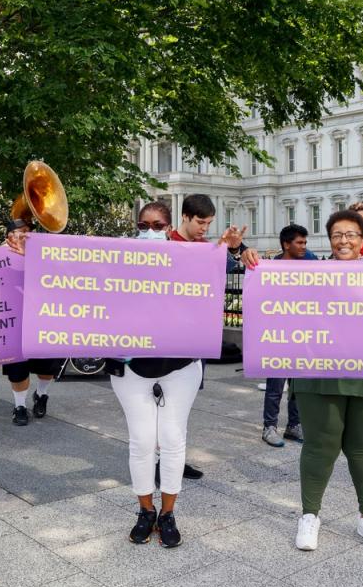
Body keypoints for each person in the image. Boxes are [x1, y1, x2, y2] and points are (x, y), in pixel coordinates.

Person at [249, 210, 363, 552]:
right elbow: (271, 291)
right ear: (329, 240)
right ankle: (310, 515)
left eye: (351, 234)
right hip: (318, 372)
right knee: (319, 447)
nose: (344, 241)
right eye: (337, 235)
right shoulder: (309, 274)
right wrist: (249, 257)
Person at [103, 201, 204, 547]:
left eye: (159, 226)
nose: (150, 231)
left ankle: (168, 513)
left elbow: (220, 270)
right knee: (143, 441)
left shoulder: (189, 259)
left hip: (179, 366)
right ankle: (145, 510)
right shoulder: (117, 260)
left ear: (170, 227)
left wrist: (239, 252)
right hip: (131, 367)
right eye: (144, 225)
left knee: (174, 440)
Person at [166, 194, 259, 479]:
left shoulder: (205, 247)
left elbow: (226, 269)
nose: (204, 228)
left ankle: (173, 460)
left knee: (182, 405)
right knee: (164, 404)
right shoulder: (163, 244)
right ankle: (160, 460)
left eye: (208, 223)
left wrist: (233, 248)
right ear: (184, 216)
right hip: (168, 335)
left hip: (196, 336)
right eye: (199, 222)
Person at [1, 219, 62, 425]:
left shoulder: (45, 256)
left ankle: (41, 394)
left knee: (47, 367)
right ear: (9, 236)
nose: (25, 236)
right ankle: (19, 406)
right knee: (17, 369)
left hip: (43, 321)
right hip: (13, 323)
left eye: (28, 232)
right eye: (20, 232)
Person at [261, 225, 315, 447]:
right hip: (279, 334)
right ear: (286, 244)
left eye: (305, 243)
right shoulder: (271, 267)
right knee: (276, 384)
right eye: (299, 243)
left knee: (298, 385)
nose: (303, 247)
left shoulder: (312, 262)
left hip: (304, 332)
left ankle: (294, 425)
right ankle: (269, 426)